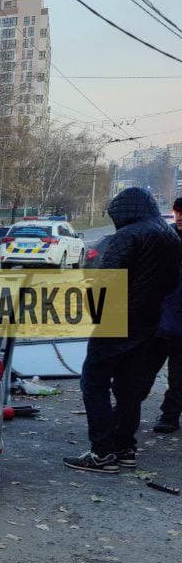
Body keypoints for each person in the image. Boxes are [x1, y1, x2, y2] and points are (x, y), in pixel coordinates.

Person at [64, 187, 182, 473]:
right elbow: (170, 282)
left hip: (116, 321)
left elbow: (104, 279)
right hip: (148, 323)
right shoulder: (170, 237)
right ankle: (125, 447)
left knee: (94, 383)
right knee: (129, 389)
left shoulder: (127, 236)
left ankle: (102, 452)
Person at [147, 196, 182, 433]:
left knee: (178, 376)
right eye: (178, 212)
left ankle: (170, 415)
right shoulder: (164, 237)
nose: (180, 217)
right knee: (142, 370)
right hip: (158, 319)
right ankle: (126, 409)